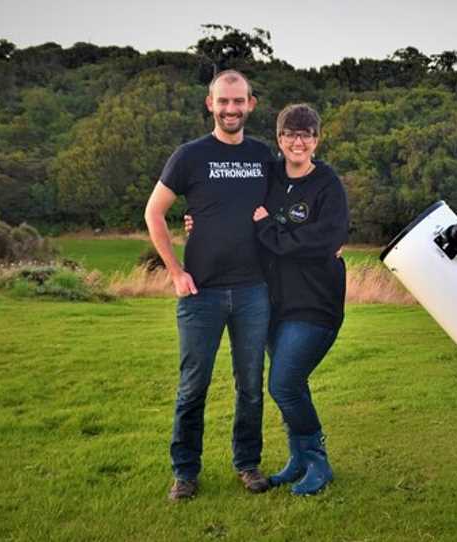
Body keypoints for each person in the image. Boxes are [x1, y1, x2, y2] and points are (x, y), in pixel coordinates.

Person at [185, 104, 349, 495]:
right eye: (291, 134)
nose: (298, 141)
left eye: (307, 134)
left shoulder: (328, 184)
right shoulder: (269, 176)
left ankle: (318, 461)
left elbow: (321, 241)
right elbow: (231, 207)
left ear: (317, 140)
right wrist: (198, 222)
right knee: (292, 385)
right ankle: (297, 459)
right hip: (272, 304)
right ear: (279, 139)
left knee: (284, 383)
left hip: (315, 305)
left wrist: (268, 229)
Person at [144, 69, 273, 501]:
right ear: (210, 104)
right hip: (201, 293)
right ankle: (185, 472)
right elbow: (154, 213)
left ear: (251, 104)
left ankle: (248, 464)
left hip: (255, 290)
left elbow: (291, 203)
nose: (231, 109)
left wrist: (321, 240)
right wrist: (176, 272)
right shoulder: (189, 156)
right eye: (224, 101)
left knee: (250, 386)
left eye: (239, 101)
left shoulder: (264, 155)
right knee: (192, 387)